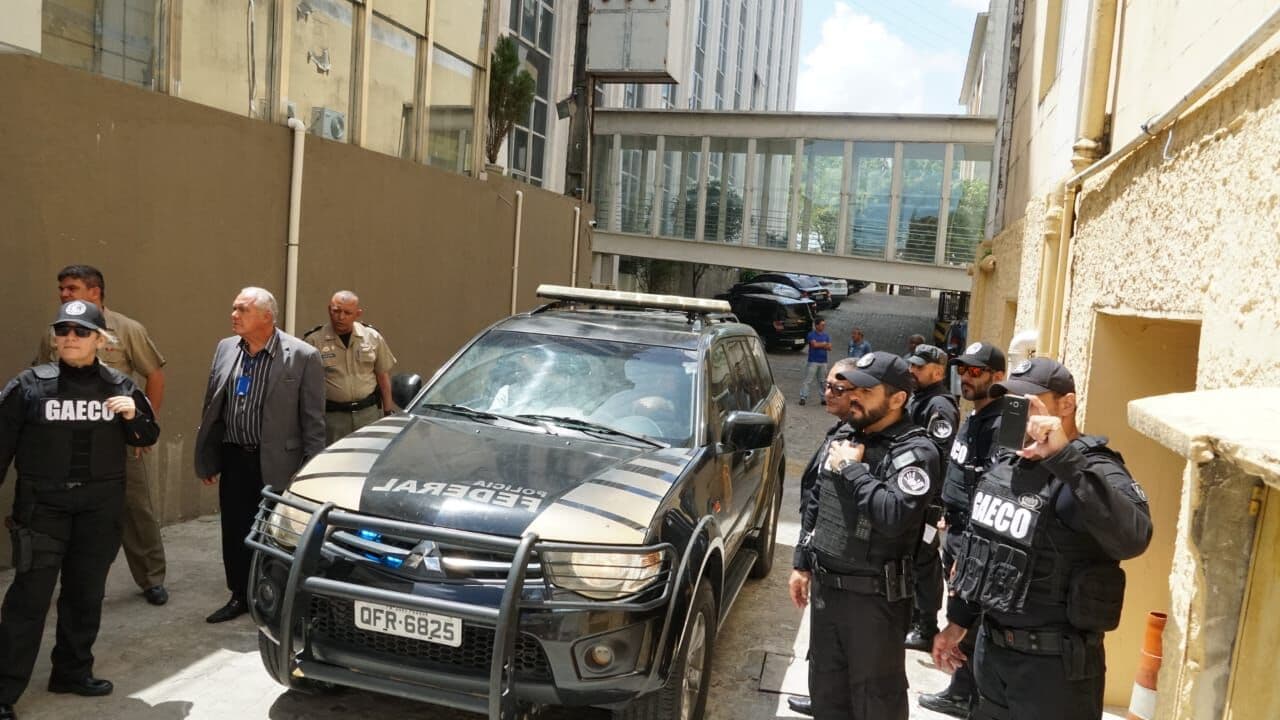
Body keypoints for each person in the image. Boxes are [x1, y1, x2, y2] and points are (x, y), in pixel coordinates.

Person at [932, 358, 1153, 720]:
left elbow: (1134, 538)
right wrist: (958, 622)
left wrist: (1064, 458)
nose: (1017, 412)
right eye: (1011, 402)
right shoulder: (1009, 463)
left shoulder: (1093, 468)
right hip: (993, 655)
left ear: (1067, 404)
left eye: (1029, 402)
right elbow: (986, 552)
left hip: (1053, 669)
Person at [0, 301, 159, 720]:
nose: (70, 337)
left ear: (101, 341)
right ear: (54, 338)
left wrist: (134, 415)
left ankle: (71, 672)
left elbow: (147, 435)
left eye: (81, 331)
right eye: (63, 330)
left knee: (85, 594)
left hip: (99, 509)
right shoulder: (29, 386)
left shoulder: (120, 385)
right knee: (29, 599)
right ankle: (4, 690)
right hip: (43, 509)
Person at [789, 352, 941, 719]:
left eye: (866, 391)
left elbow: (893, 516)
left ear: (897, 398)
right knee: (827, 695)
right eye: (853, 388)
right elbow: (818, 500)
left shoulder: (916, 452)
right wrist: (801, 563)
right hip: (827, 594)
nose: (854, 396)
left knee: (876, 702)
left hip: (874, 602)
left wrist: (852, 470)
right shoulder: (846, 435)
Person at [34, 265, 170, 606]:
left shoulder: (126, 329)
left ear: (94, 291)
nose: (64, 294)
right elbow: (40, 377)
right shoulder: (56, 332)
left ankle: (151, 577)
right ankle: (74, 580)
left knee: (135, 508)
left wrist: (142, 427)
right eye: (61, 288)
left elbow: (154, 375)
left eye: (72, 288)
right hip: (66, 437)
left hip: (116, 437)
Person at [194, 287, 325, 624]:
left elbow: (313, 422)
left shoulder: (303, 355)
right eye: (234, 308)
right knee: (235, 530)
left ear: (267, 317)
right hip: (235, 458)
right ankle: (240, 594)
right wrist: (209, 457)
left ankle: (277, 598)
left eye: (242, 309)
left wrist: (308, 474)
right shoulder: (226, 348)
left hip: (280, 464)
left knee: (278, 534)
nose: (234, 315)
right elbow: (213, 406)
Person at [918, 341, 1007, 718]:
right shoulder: (975, 415)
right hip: (955, 531)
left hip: (972, 539)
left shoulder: (1002, 424)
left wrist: (971, 549)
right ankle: (960, 689)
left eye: (976, 372)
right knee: (959, 612)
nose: (966, 377)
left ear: (998, 377)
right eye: (963, 370)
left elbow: (994, 491)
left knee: (970, 616)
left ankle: (967, 695)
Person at [903, 344, 960, 651]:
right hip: (913, 495)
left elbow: (940, 456)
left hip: (927, 501)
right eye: (911, 365)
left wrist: (935, 503)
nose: (912, 370)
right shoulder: (921, 398)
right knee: (911, 557)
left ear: (937, 372)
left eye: (919, 367)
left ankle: (926, 626)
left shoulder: (939, 406)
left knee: (924, 559)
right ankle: (912, 617)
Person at [303, 290, 397, 444]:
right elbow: (307, 386)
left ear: (358, 314)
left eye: (347, 313)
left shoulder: (372, 337)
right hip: (333, 418)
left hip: (368, 415)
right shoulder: (314, 341)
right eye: (336, 311)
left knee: (367, 455)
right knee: (335, 458)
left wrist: (388, 411)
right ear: (329, 310)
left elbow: (382, 376)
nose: (341, 317)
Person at [797, 318, 832, 406]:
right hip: (813, 361)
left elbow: (829, 347)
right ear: (816, 325)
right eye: (822, 325)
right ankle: (803, 397)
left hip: (823, 361)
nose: (823, 326)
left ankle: (823, 398)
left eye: (824, 325)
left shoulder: (826, 335)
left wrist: (820, 344)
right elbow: (814, 345)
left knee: (823, 381)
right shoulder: (811, 335)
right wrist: (824, 344)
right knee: (808, 380)